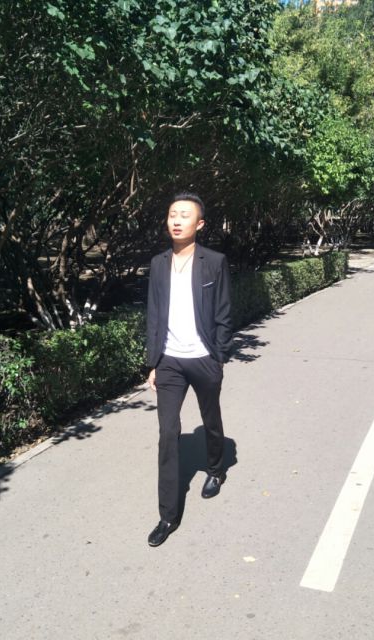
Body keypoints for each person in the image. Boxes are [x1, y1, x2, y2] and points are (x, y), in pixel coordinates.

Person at [146, 192, 233, 547]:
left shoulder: (214, 262)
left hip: (203, 358)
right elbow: (153, 313)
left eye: (185, 215)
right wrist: (153, 362)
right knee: (168, 433)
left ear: (200, 224)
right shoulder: (158, 263)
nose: (177, 220)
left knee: (210, 420)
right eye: (172, 214)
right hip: (169, 361)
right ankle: (168, 515)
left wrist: (219, 357)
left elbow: (224, 312)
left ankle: (215, 469)